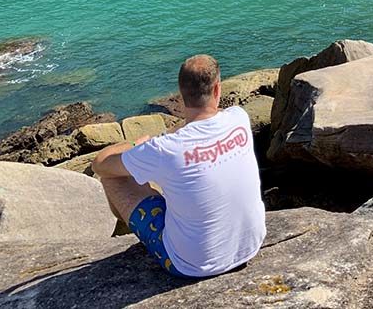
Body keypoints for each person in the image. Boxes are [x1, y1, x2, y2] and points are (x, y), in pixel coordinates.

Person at [92, 55, 266, 278]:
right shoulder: (239, 118)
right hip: (250, 246)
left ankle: (129, 230)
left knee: (114, 178)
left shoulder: (165, 149)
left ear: (181, 95)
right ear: (217, 89)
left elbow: (100, 165)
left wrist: (138, 143)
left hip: (191, 265)